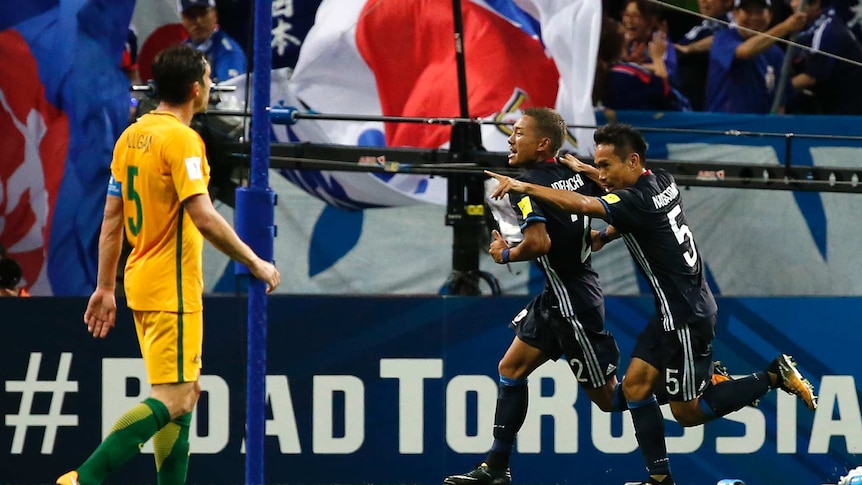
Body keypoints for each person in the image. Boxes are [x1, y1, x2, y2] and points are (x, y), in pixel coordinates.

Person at [485, 123, 817, 485]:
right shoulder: (662, 180)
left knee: (688, 412)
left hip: (686, 317)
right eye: (599, 164)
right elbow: (636, 216)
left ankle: (772, 375)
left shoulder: (633, 201)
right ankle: (659, 478)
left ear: (632, 161)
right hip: (673, 313)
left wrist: (524, 186)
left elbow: (585, 203)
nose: (603, 175)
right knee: (635, 390)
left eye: (607, 166)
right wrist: (594, 184)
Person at [56, 44, 280, 485]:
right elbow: (204, 216)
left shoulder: (132, 136)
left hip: (141, 283)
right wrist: (255, 260)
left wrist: (105, 286)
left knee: (185, 394)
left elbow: (112, 219)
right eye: (210, 79)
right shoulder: (182, 140)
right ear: (196, 89)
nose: (212, 86)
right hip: (173, 288)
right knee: (175, 397)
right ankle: (82, 479)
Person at [443, 108, 622, 485]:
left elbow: (539, 242)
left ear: (542, 143)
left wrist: (503, 254)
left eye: (519, 132)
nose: (510, 138)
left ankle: (692, 385)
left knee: (612, 401)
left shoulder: (524, 184)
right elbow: (617, 212)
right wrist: (600, 239)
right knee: (511, 369)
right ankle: (496, 467)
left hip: (573, 304)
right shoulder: (574, 173)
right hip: (558, 297)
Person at [705, 0, 807, 113]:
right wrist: (786, 27)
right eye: (748, 11)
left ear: (770, 15)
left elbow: (780, 101)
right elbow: (745, 51)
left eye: (760, 12)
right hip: (724, 123)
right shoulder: (723, 39)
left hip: (760, 126)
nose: (754, 17)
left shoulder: (776, 53)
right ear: (735, 14)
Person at [595, 16, 689, 111]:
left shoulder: (596, 72)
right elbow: (663, 90)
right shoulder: (621, 74)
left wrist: (630, 64)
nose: (628, 38)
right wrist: (658, 59)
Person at [786, 0, 862, 114]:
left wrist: (776, 92)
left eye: (797, 0)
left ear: (815, 3)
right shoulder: (812, 26)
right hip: (828, 104)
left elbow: (810, 78)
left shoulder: (827, 30)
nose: (792, 5)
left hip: (847, 112)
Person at [673, 0, 735, 110]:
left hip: (711, 105)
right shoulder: (703, 26)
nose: (703, 1)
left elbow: (724, 39)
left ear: (728, 2)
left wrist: (689, 49)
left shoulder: (732, 24)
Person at [180, 0, 246, 83]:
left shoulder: (228, 52)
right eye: (191, 16)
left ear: (215, 14)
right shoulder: (182, 50)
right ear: (183, 19)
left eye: (203, 13)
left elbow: (229, 92)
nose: (198, 21)